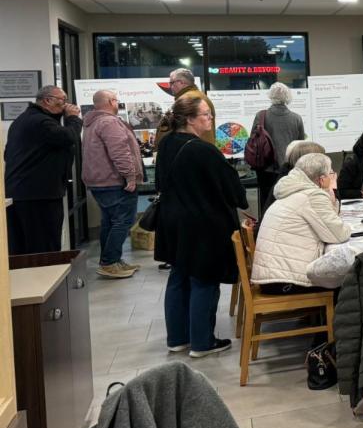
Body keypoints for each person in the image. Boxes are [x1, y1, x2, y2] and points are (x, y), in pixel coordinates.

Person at [155, 94, 248, 357]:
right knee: (204, 280)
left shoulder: (167, 144)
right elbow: (234, 192)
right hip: (203, 224)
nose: (211, 118)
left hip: (172, 221)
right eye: (206, 114)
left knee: (178, 277)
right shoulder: (204, 150)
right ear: (190, 119)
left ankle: (177, 338)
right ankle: (202, 341)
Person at [251, 152, 352, 293]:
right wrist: (333, 190)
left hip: (273, 276)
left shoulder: (294, 190)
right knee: (349, 282)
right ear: (322, 179)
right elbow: (338, 234)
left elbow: (329, 222)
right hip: (285, 280)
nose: (333, 176)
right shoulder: (312, 195)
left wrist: (330, 195)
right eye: (331, 173)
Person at [4, 85, 82, 255]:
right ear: (47, 100)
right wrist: (73, 119)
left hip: (23, 193)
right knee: (44, 247)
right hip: (38, 196)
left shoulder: (23, 120)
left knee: (23, 248)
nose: (66, 105)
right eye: (63, 100)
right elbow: (68, 137)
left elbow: (6, 154)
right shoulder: (41, 122)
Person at [82, 89, 144, 277]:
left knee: (109, 222)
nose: (118, 103)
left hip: (100, 181)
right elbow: (120, 152)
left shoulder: (92, 123)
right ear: (110, 101)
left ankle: (111, 260)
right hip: (114, 181)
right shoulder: (109, 122)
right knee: (124, 221)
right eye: (116, 100)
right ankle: (109, 263)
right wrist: (130, 176)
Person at [252, 82, 306, 220]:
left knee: (266, 202)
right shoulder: (296, 118)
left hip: (266, 168)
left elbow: (253, 140)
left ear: (270, 96)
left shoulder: (261, 116)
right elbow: (300, 144)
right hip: (289, 168)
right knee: (288, 202)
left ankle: (264, 227)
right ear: (288, 97)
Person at [155, 68, 215, 147]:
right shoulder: (202, 97)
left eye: (171, 83)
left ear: (181, 82)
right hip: (204, 146)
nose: (170, 86)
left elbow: (170, 128)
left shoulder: (186, 100)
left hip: (192, 148)